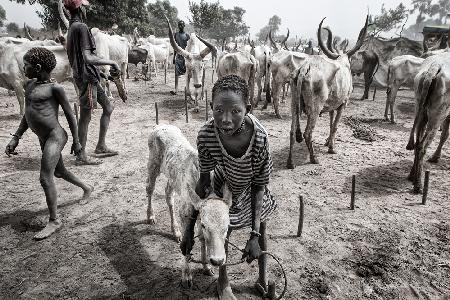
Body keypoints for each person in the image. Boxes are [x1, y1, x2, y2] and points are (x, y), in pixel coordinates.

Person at [183, 75, 278, 297]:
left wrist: (253, 234)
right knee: (222, 229)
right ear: (211, 107)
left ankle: (262, 279)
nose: (225, 119)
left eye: (235, 111)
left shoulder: (260, 138)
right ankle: (223, 282)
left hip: (252, 188)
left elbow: (259, 186)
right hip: (223, 184)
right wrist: (189, 227)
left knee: (261, 230)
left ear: (248, 108)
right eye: (218, 110)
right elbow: (203, 182)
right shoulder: (206, 135)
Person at [5, 47, 93, 240]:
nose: (23, 67)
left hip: (56, 136)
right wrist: (16, 137)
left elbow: (70, 115)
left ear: (37, 67)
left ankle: (54, 220)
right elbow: (27, 116)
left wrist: (77, 142)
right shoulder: (29, 85)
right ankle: (87, 187)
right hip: (42, 137)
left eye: (26, 65)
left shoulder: (55, 88)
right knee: (59, 172)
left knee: (45, 178)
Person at [64, 0, 121, 165]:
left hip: (89, 76)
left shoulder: (72, 28)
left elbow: (80, 58)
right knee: (85, 116)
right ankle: (81, 156)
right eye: (85, 6)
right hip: (87, 78)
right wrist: (112, 63)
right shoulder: (81, 28)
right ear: (80, 8)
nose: (87, 9)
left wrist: (101, 75)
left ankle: (101, 146)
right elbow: (88, 58)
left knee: (108, 107)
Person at [170, 20, 190, 95]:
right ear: (178, 26)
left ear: (184, 26)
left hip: (186, 56)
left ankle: (187, 89)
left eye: (182, 25)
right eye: (179, 25)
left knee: (187, 73)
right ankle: (176, 89)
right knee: (176, 73)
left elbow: (189, 47)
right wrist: (174, 57)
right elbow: (175, 47)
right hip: (178, 56)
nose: (180, 26)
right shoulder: (176, 35)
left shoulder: (187, 35)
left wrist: (189, 57)